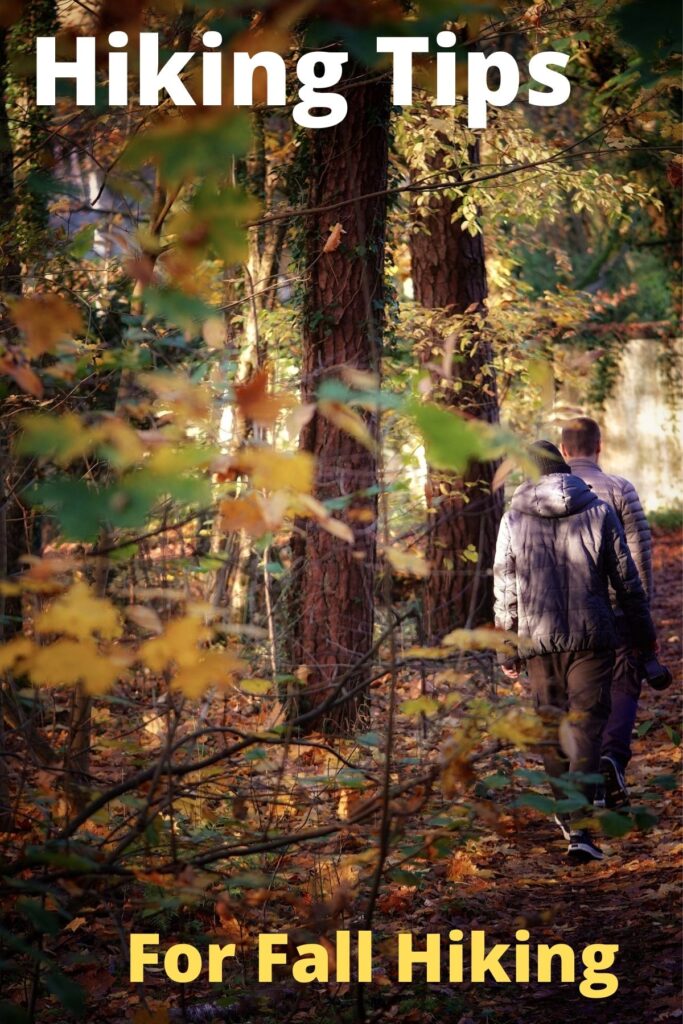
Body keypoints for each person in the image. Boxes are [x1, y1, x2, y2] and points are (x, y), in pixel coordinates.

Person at [493, 441, 657, 863]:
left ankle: (569, 815)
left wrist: (507, 649)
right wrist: (643, 634)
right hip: (593, 636)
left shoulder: (513, 518)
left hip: (537, 640)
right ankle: (581, 827)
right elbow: (627, 580)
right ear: (565, 470)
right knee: (584, 728)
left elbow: (505, 588)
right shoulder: (599, 511)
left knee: (551, 727)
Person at [560, 416, 653, 807]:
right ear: (599, 447)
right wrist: (641, 614)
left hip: (561, 613)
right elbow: (638, 556)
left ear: (563, 450)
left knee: (575, 693)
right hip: (614, 609)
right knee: (623, 683)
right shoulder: (619, 489)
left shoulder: (538, 492)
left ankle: (581, 777)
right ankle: (612, 758)